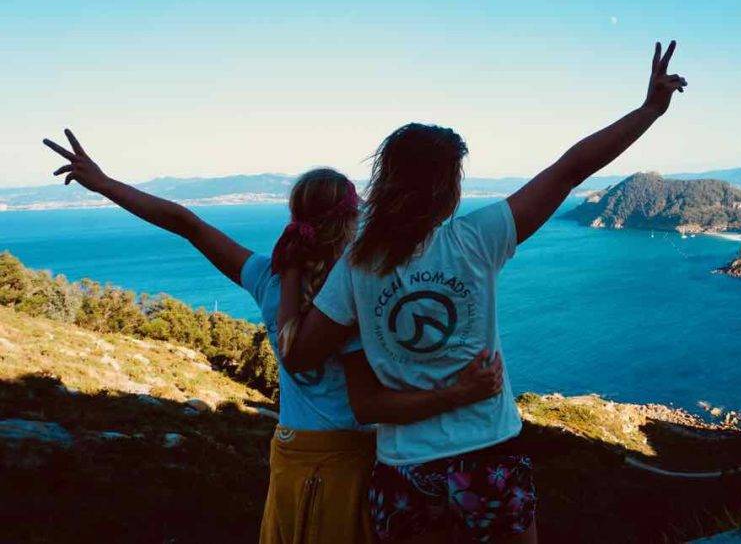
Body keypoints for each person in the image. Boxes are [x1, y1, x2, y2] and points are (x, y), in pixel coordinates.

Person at [277, 41, 686, 543]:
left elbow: (304, 359)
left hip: (402, 471)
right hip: (487, 455)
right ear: (445, 189)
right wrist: (649, 111)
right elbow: (571, 169)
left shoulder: (356, 268)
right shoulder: (476, 240)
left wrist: (293, 273)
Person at [42, 132, 506, 544]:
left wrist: (103, 184)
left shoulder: (268, 276)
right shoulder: (360, 288)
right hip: (348, 462)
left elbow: (188, 225)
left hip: (289, 458)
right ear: (351, 219)